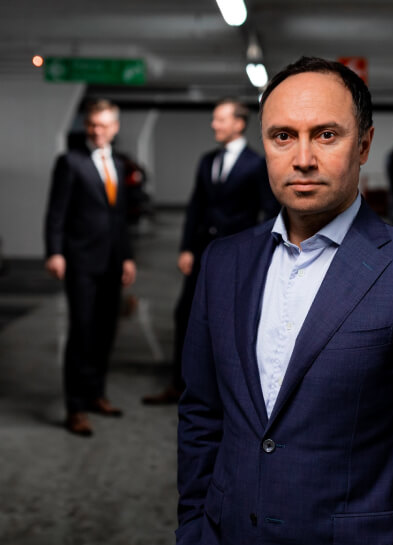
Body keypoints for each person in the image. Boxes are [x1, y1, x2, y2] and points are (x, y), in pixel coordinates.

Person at [162, 57, 393, 545]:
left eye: (326, 135)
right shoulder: (224, 263)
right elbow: (202, 414)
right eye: (283, 136)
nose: (303, 158)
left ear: (364, 144)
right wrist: (193, 541)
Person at [142, 99, 277, 406]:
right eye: (214, 119)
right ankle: (178, 385)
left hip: (238, 258)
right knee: (186, 315)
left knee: (229, 322)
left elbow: (268, 212)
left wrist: (256, 254)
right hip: (203, 253)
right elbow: (196, 207)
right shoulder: (207, 160)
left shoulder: (257, 164)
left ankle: (223, 393)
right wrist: (186, 248)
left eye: (220, 119)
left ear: (238, 124)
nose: (214, 124)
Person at [45, 99, 136, 436]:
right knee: (82, 332)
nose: (97, 131)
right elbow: (56, 211)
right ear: (86, 126)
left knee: (105, 332)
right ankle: (76, 407)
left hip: (112, 261)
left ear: (115, 128)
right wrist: (55, 252)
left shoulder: (119, 163)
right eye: (92, 124)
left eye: (104, 125)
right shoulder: (70, 162)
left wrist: (127, 257)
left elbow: (119, 217)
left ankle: (96, 393)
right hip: (81, 261)